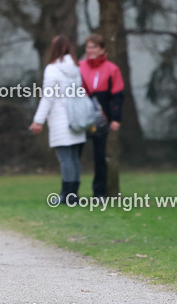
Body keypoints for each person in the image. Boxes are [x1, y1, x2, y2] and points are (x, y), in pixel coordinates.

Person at [29, 36, 87, 204]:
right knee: (74, 158)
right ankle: (73, 194)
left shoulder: (52, 69)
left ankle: (66, 195)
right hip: (77, 118)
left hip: (61, 119)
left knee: (65, 159)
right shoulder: (76, 68)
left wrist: (38, 120)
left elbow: (48, 97)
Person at [78, 33, 125, 198]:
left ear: (102, 49)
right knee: (76, 154)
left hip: (102, 119)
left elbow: (117, 96)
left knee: (99, 156)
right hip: (81, 118)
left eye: (94, 47)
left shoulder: (112, 69)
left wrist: (116, 119)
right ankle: (72, 191)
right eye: (88, 47)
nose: (90, 51)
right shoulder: (79, 66)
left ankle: (99, 192)